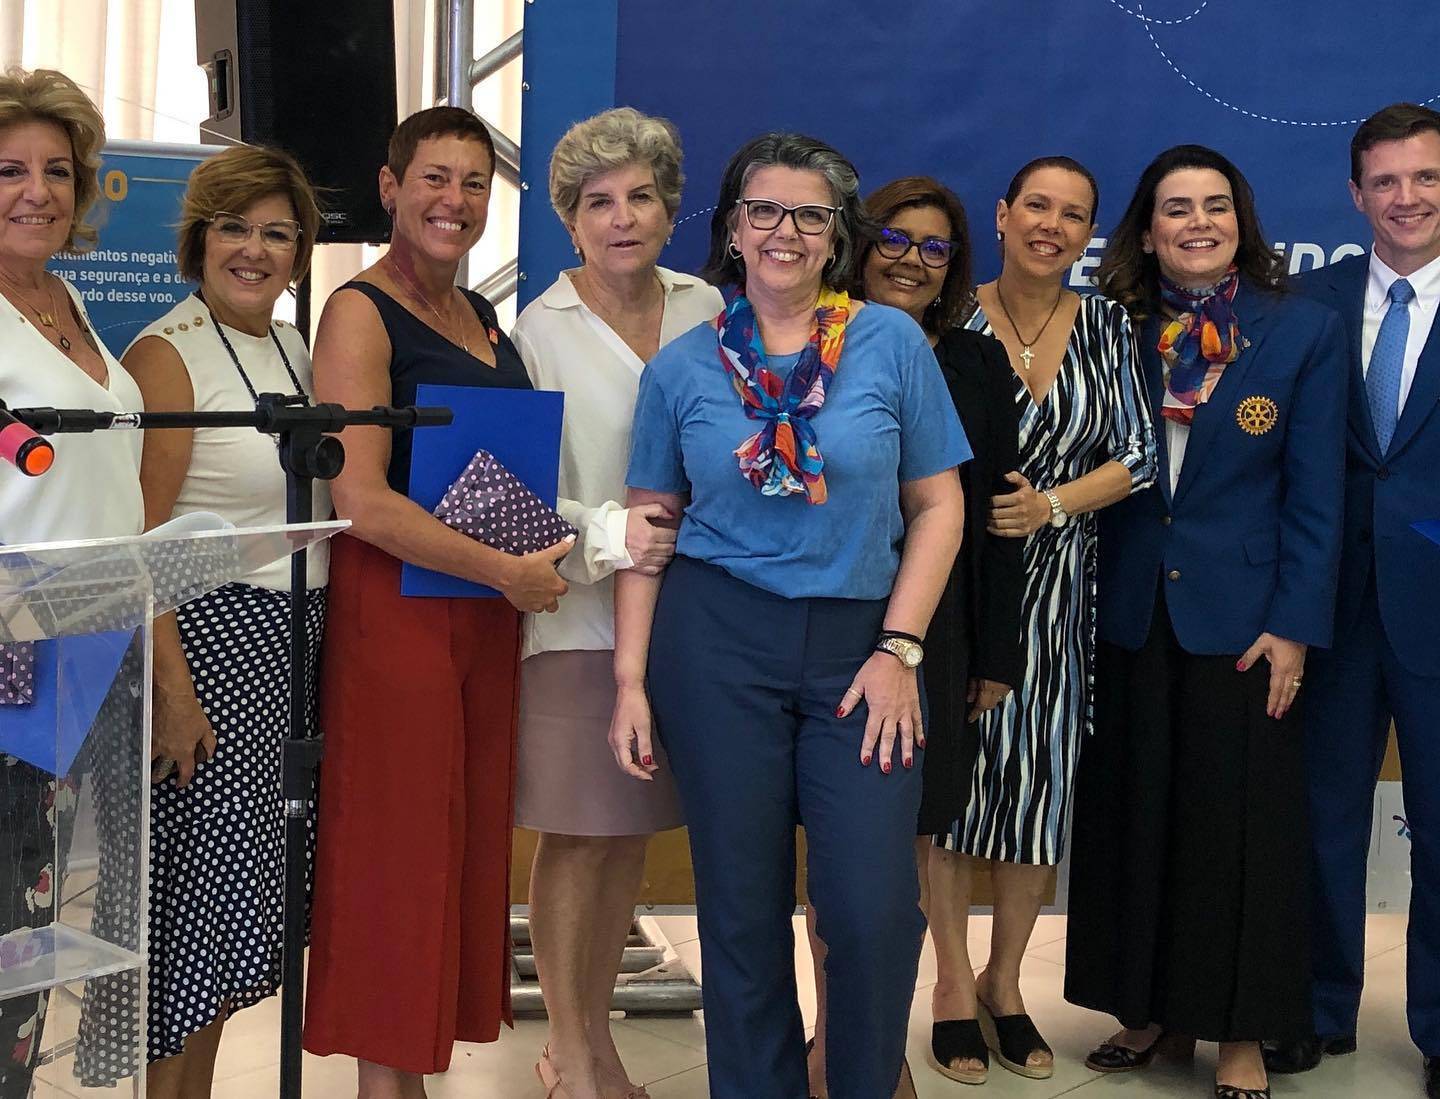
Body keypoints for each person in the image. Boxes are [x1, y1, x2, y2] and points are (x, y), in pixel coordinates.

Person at [610, 132, 969, 1099]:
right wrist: (631, 680)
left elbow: (939, 505)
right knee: (740, 911)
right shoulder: (680, 369)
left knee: (872, 908)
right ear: (733, 229)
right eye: (764, 210)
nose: (786, 232)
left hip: (864, 649)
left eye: (811, 215)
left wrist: (901, 646)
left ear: (837, 236)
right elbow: (651, 531)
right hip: (717, 646)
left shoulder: (890, 343)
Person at [1064, 144, 1346, 1099]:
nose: (1198, 223)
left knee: (1239, 829)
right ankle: (1149, 1012)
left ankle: (1239, 1032)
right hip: (1131, 606)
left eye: (1215, 206)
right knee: (1138, 814)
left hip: (1248, 620)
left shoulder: (1300, 329)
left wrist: (1295, 623)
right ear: (1146, 232)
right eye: (1176, 208)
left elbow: (1316, 495)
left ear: (1241, 221)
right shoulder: (1111, 327)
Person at [302, 106, 571, 1098]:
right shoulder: (358, 312)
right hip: (398, 610)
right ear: (390, 187)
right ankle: (386, 1086)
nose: (454, 200)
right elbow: (360, 499)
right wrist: (504, 568)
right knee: (397, 845)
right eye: (434, 178)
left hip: (484, 612)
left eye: (474, 183)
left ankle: (414, 1071)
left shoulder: (485, 319)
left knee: (460, 840)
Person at [509, 107, 722, 1099]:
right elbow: (510, 494)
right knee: (577, 832)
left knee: (628, 831)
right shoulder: (535, 332)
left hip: (692, 624)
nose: (622, 217)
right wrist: (612, 533)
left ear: (672, 210)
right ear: (570, 220)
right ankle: (570, 1050)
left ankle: (597, 1040)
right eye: (599, 202)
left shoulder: (709, 306)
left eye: (641, 197)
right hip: (577, 619)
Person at [933, 156, 1156, 1079]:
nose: (1050, 226)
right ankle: (950, 983)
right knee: (949, 794)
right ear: (1001, 213)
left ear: (1088, 234)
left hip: (1061, 597)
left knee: (1036, 793)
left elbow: (1140, 453)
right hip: (953, 585)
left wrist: (1052, 505)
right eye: (1036, 205)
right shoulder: (948, 317)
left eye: (1072, 214)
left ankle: (1005, 981)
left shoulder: (1108, 325)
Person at [801, 176, 1023, 1096]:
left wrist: (996, 653)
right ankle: (834, 1043)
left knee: (904, 865)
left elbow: (997, 513)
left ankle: (880, 1043)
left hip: (936, 637)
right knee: (838, 864)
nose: (912, 260)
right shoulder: (804, 340)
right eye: (895, 239)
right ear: (860, 243)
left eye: (935, 248)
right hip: (825, 624)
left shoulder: (975, 363)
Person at [120, 144, 328, 1099]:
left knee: (241, 919)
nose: (255, 249)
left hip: (290, 653)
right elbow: (143, 537)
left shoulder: (294, 348)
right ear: (198, 240)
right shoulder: (167, 354)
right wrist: (173, 689)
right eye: (234, 227)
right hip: (207, 653)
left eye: (277, 233)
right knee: (193, 924)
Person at [1263, 102, 1440, 1099]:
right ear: (1355, 195)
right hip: (1327, 608)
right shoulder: (1306, 303)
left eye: (1426, 177)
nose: (1406, 197)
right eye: (1386, 181)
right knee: (1319, 818)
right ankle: (1316, 1008)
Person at [0, 67, 144, 1097]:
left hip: (87, 654)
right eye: (8, 170)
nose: (37, 191)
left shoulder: (69, 302)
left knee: (31, 920)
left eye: (57, 170)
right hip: (9, 646)